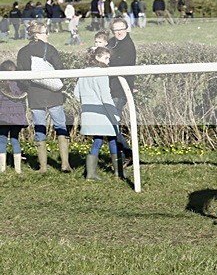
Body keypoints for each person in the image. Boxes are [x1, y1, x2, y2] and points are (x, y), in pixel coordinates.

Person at [16, 21, 71, 173]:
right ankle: (65, 164)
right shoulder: (50, 49)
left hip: (35, 95)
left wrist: (30, 88)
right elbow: (60, 70)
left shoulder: (23, 52)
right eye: (46, 32)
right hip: (54, 95)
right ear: (37, 34)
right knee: (61, 126)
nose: (48, 35)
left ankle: (43, 167)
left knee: (39, 128)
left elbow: (21, 76)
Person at [74, 46, 120, 180]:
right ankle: (118, 171)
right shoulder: (101, 73)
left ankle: (90, 174)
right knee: (112, 139)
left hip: (89, 112)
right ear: (97, 57)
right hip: (103, 113)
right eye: (106, 58)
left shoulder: (84, 72)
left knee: (98, 141)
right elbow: (105, 96)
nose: (108, 61)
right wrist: (114, 114)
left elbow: (76, 93)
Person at [108, 18, 136, 164]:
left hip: (120, 90)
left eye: (121, 29)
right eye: (115, 30)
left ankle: (127, 154)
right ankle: (120, 155)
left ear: (126, 28)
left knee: (112, 123)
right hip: (110, 88)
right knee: (111, 123)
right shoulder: (112, 42)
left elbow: (117, 64)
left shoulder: (128, 46)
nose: (118, 32)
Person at [0, 60, 28, 174]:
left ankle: (2, 169)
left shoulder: (1, 86)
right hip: (17, 119)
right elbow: (23, 105)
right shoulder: (20, 87)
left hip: (3, 118)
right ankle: (18, 169)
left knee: (2, 141)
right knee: (15, 140)